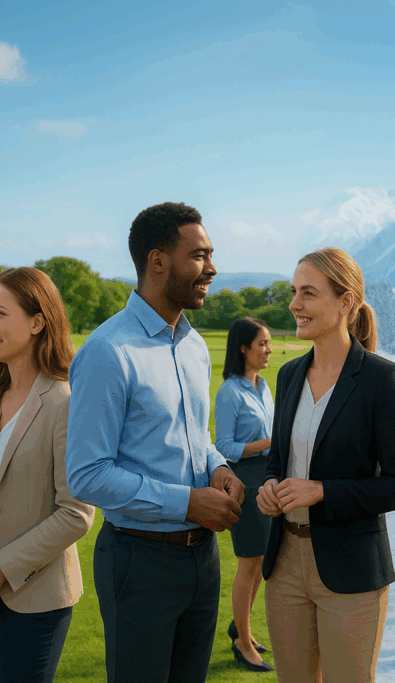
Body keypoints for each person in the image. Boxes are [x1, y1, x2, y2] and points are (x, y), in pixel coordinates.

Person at [65, 202, 246, 683]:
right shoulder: (107, 351)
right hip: (138, 563)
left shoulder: (194, 345)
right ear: (158, 261)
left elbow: (195, 438)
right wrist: (188, 502)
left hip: (202, 559)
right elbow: (86, 474)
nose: (211, 268)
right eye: (200, 255)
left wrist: (219, 467)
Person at [256, 247, 395, 683]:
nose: (294, 304)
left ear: (346, 303)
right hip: (285, 562)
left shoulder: (382, 379)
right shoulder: (289, 375)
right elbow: (276, 462)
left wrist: (322, 491)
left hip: (351, 569)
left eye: (308, 293)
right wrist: (269, 486)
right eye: (294, 292)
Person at [0, 267, 96, 682]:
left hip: (36, 592)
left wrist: (1, 568)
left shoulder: (64, 402)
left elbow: (76, 512)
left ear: (36, 322)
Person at [215, 316, 276, 673]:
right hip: (245, 481)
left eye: (269, 343)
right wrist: (271, 442)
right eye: (262, 344)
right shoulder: (229, 392)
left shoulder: (264, 387)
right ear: (243, 349)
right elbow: (224, 446)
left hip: (267, 478)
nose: (268, 350)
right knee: (249, 563)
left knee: (260, 565)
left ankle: (243, 628)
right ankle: (242, 641)